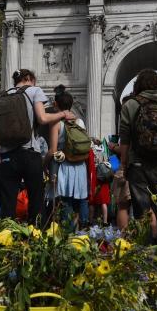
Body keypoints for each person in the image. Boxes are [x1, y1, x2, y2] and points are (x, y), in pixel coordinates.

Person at [0, 69, 74, 224]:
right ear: (29, 78)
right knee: (36, 200)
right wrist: (63, 114)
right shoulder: (34, 90)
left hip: (7, 156)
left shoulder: (0, 96)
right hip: (29, 153)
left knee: (8, 203)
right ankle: (36, 237)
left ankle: (5, 238)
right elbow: (43, 118)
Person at [118, 69, 157, 242]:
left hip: (137, 164)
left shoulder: (130, 105)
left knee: (142, 210)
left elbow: (125, 138)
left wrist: (124, 163)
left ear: (138, 85)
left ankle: (143, 254)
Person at [46, 91, 89, 227]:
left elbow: (53, 151)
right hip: (80, 166)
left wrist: (43, 163)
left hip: (65, 166)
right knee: (82, 200)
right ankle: (85, 232)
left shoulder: (56, 123)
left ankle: (68, 235)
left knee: (66, 201)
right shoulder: (79, 122)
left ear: (55, 104)